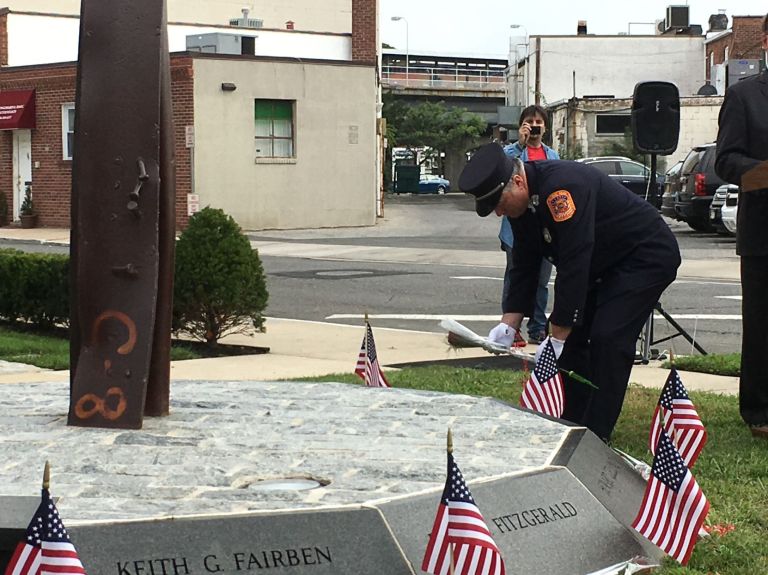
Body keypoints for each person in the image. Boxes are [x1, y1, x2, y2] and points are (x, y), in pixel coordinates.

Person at [459, 143, 680, 442]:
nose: (499, 211)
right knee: (574, 342)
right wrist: (508, 324)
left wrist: (557, 333)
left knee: (608, 337)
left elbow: (575, 259)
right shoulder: (523, 203)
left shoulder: (562, 189)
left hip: (644, 256)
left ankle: (596, 433)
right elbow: (525, 262)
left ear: (519, 181)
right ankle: (573, 420)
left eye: (498, 202)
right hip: (602, 264)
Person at [714, 13, 768, 439]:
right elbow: (726, 161)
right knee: (763, 326)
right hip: (763, 233)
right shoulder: (744, 95)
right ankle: (760, 413)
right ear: (766, 41)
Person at [494, 105, 559, 347]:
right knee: (516, 276)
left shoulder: (552, 155)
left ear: (545, 127)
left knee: (542, 280)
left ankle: (538, 327)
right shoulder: (512, 152)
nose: (534, 125)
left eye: (538, 122)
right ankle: (512, 327)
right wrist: (520, 145)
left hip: (544, 227)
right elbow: (503, 167)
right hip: (517, 228)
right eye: (529, 121)